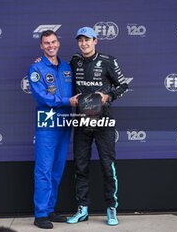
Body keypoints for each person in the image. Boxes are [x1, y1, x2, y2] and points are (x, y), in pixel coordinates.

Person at [67, 27, 129, 226]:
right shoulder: (74, 61)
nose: (84, 43)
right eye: (81, 40)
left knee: (107, 166)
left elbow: (123, 85)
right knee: (80, 166)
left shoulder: (108, 61)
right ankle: (82, 209)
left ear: (96, 41)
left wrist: (108, 97)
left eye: (88, 40)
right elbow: (59, 72)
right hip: (81, 120)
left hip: (104, 121)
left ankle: (111, 209)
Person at [28, 30, 77, 229]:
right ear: (41, 46)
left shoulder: (67, 67)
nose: (51, 45)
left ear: (59, 43)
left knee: (57, 170)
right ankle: (40, 215)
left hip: (65, 122)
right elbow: (42, 97)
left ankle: (50, 210)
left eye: (54, 42)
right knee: (44, 170)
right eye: (46, 43)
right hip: (47, 123)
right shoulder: (36, 67)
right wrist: (67, 101)